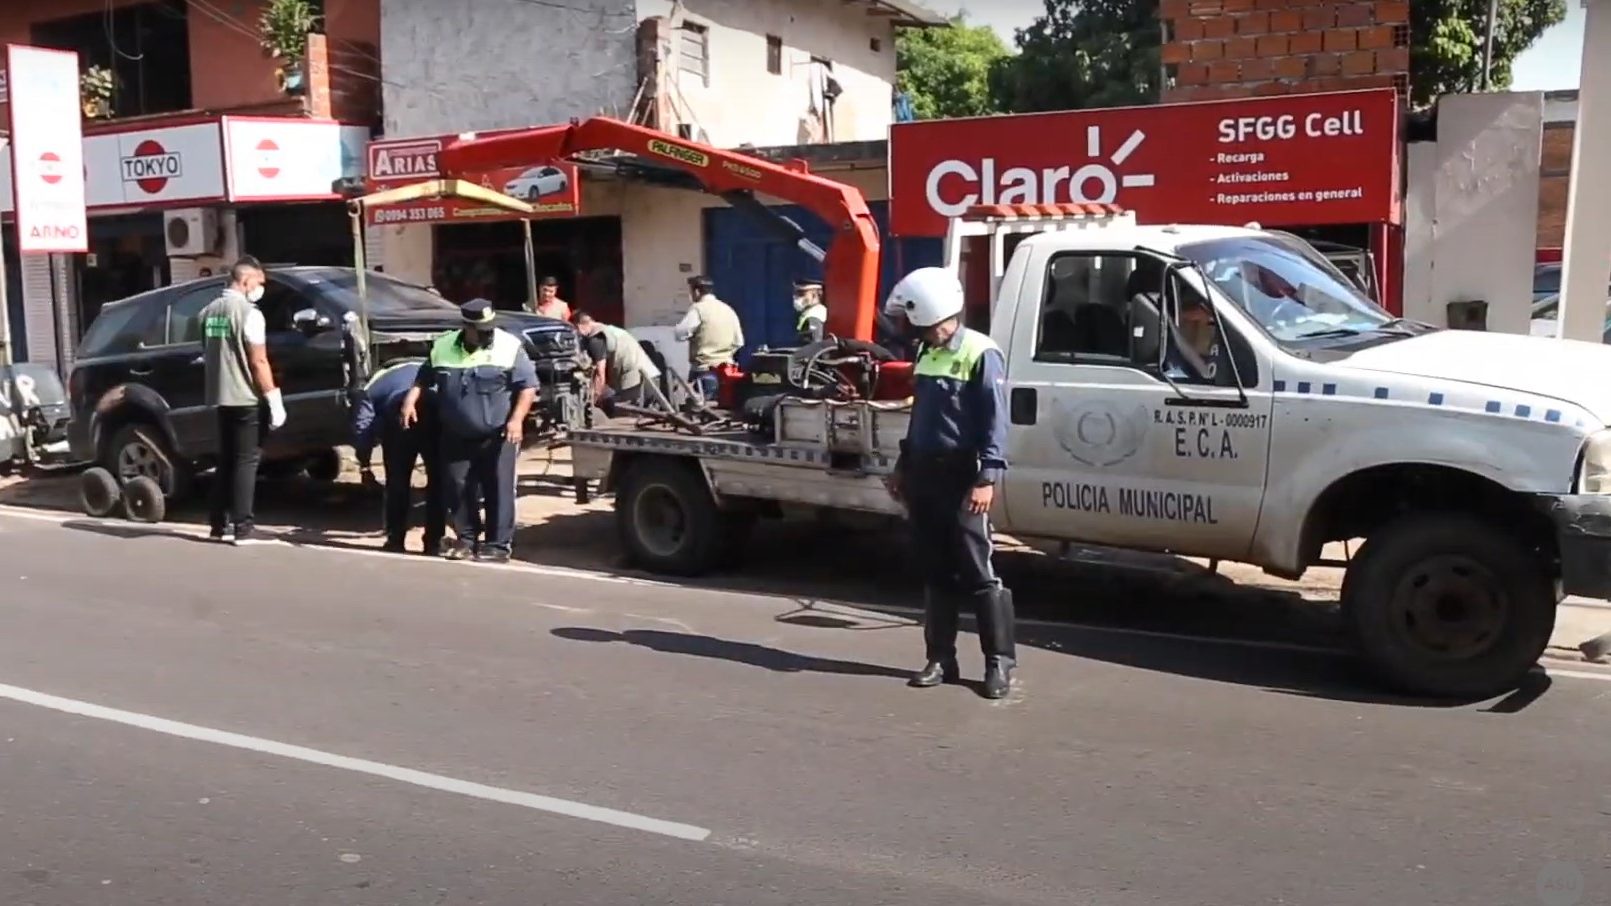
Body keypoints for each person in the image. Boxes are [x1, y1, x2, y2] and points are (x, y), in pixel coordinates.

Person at [882, 267, 1016, 700]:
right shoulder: (927, 352)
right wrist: (903, 466)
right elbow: (921, 417)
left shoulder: (981, 352)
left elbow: (996, 421)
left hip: (963, 475)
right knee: (935, 567)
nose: (916, 332)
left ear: (935, 315)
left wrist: (987, 477)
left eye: (919, 324)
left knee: (979, 570)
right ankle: (941, 658)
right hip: (924, 473)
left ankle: (999, 662)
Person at [400, 299, 536, 564]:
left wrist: (517, 420)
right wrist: (410, 400)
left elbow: (528, 386)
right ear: (466, 327)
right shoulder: (443, 346)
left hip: (498, 435)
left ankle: (497, 546)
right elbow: (423, 377)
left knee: (498, 489)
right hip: (455, 433)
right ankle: (467, 540)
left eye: (490, 328)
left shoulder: (509, 347)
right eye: (482, 330)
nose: (488, 334)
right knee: (458, 487)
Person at [200, 256, 285, 546]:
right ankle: (243, 527)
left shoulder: (208, 312)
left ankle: (217, 524)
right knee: (246, 461)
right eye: (259, 282)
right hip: (246, 397)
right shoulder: (250, 314)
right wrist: (274, 399)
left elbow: (208, 352)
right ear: (245, 280)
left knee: (226, 459)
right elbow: (258, 360)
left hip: (220, 396)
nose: (261, 288)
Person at [353, 359, 445, 555]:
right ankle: (434, 541)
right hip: (433, 408)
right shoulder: (432, 368)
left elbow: (363, 426)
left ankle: (395, 539)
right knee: (438, 482)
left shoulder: (375, 382)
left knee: (397, 482)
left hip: (398, 412)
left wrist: (365, 466)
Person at [574, 310, 662, 416]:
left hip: (636, 384)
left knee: (612, 412)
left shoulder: (596, 339)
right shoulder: (610, 330)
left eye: (575, 330)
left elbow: (600, 374)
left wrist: (593, 401)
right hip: (651, 377)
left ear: (579, 326)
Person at [673, 275, 743, 400]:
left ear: (696, 292)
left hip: (703, 370)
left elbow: (680, 334)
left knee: (698, 407)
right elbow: (739, 342)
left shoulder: (698, 309)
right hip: (727, 371)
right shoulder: (728, 310)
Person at [793, 280, 827, 344]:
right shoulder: (809, 313)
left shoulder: (815, 316)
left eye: (801, 294)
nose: (796, 297)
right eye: (796, 293)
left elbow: (815, 345)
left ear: (815, 295)